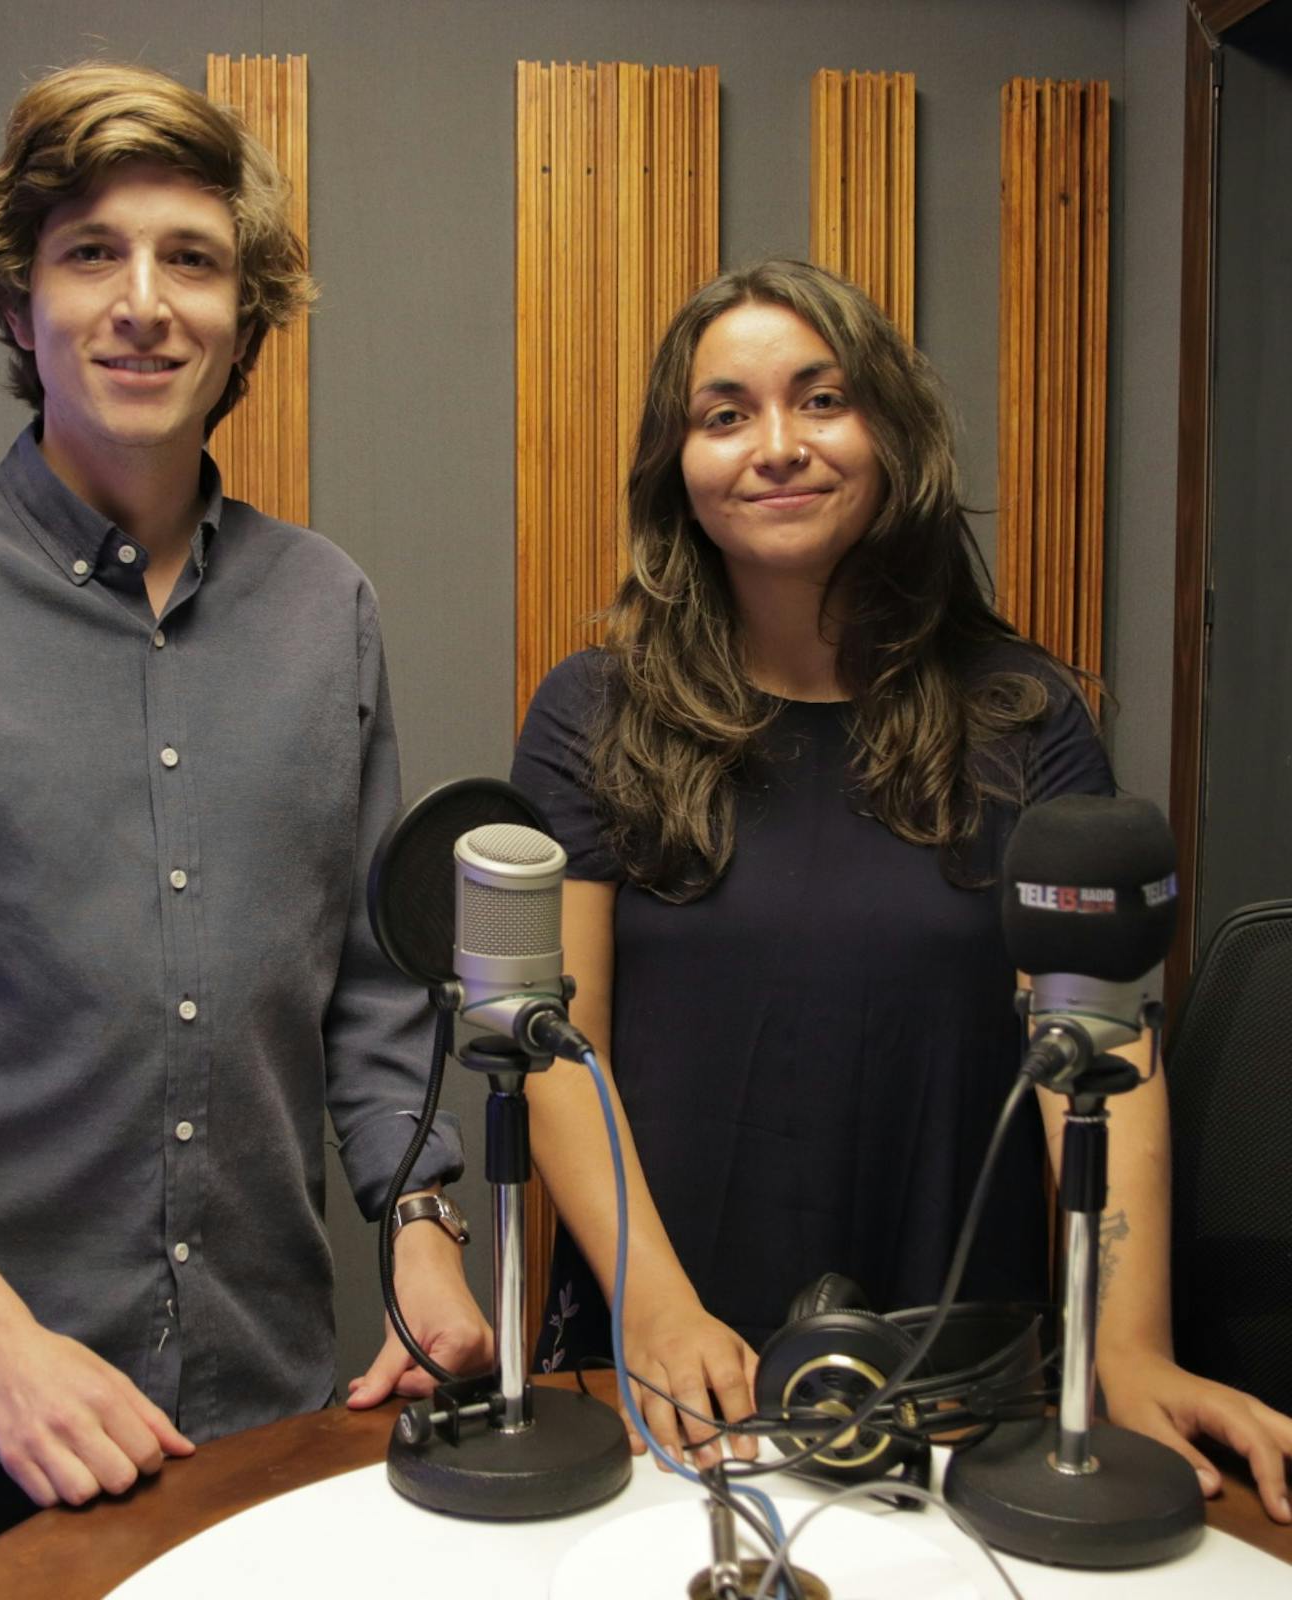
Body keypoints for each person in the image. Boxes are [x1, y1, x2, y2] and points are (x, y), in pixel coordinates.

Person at [0, 62, 489, 1599]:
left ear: (243, 319)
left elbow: (372, 989)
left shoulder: (326, 607)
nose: (144, 303)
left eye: (191, 259)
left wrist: (424, 1235)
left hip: (260, 1413)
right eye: (92, 253)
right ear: (21, 309)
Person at [511, 259, 1292, 1519]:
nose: (777, 445)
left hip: (960, 1386)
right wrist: (654, 1308)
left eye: (821, 399)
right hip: (673, 1376)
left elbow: (1101, 1050)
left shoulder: (1026, 717)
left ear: (891, 433)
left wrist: (1127, 1347)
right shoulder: (587, 713)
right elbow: (559, 1050)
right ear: (678, 467)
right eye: (724, 414)